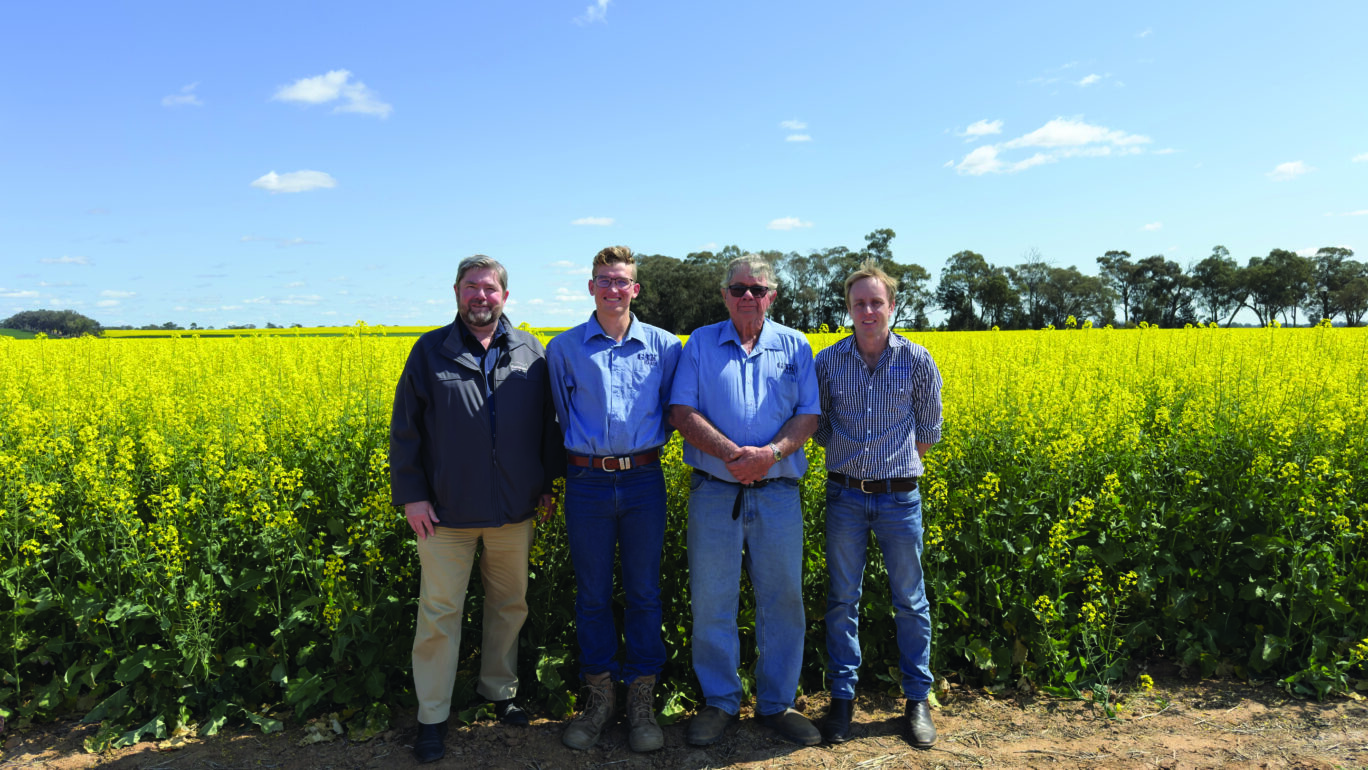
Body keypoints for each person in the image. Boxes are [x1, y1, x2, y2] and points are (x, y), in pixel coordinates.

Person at [389, 255, 563, 764]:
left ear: (505, 296)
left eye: (489, 288)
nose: (480, 297)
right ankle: (432, 716)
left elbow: (546, 426)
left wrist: (547, 484)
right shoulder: (429, 352)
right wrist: (412, 495)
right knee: (440, 613)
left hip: (514, 510)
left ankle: (499, 692)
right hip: (444, 513)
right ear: (456, 292)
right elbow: (405, 431)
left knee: (510, 605)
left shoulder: (531, 351)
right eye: (470, 287)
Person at [668, 254, 822, 747]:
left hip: (777, 494)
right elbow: (682, 411)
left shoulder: (796, 345)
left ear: (773, 296)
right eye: (738, 289)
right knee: (713, 601)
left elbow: (808, 414)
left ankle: (777, 703)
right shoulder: (699, 344)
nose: (748, 297)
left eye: (757, 290)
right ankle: (720, 702)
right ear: (725, 296)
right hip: (714, 492)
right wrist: (735, 455)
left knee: (783, 601)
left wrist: (771, 454)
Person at [546, 246, 682, 753]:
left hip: (645, 479)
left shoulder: (666, 347)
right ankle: (599, 696)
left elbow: (674, 411)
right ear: (591, 287)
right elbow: (559, 417)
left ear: (635, 289)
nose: (612, 288)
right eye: (603, 279)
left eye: (621, 280)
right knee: (593, 593)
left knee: (645, 591)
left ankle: (642, 698)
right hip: (587, 482)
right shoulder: (563, 349)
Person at [813, 259, 943, 749]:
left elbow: (929, 432)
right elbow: (820, 427)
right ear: (848, 309)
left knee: (910, 601)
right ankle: (842, 700)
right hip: (844, 495)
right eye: (858, 303)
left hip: (898, 499)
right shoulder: (827, 362)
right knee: (842, 600)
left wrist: (892, 468)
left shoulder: (918, 360)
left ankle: (917, 701)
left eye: (876, 302)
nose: (867, 310)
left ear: (892, 306)